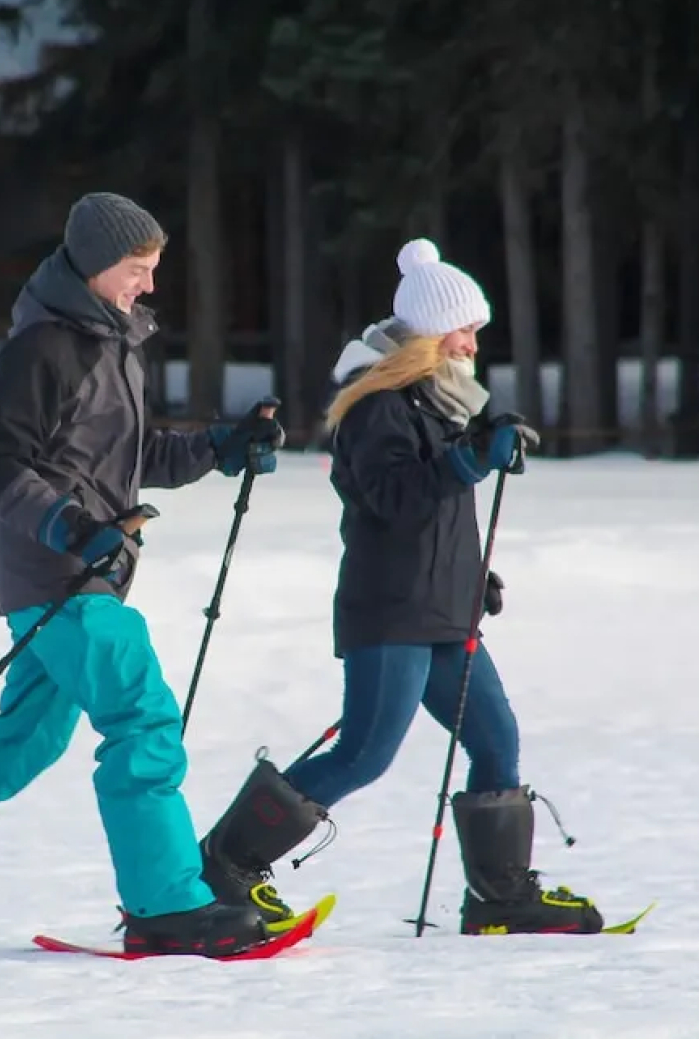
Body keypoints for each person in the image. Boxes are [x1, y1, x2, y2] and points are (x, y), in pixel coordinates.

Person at [0, 192, 288, 957]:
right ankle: (165, 903)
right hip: (60, 574)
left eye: (153, 269)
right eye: (138, 269)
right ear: (99, 266)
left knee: (23, 739)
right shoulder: (44, 348)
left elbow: (128, 461)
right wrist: (70, 527)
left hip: (80, 571)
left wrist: (222, 445)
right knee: (141, 716)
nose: (149, 285)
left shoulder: (110, 342)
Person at [193, 238, 607, 936]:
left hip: (442, 611)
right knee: (364, 752)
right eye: (464, 329)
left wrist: (471, 576)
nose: (474, 342)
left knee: (496, 740)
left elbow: (434, 512)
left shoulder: (439, 405)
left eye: (477, 329)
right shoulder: (377, 404)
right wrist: (474, 457)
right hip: (389, 611)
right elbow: (391, 498)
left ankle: (499, 896)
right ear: (427, 331)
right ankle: (226, 866)